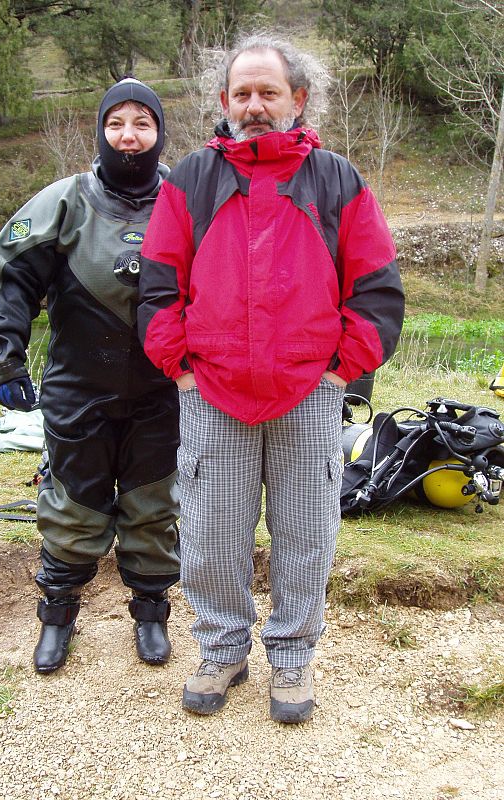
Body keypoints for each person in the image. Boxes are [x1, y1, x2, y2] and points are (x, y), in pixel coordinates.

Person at [137, 34, 405, 723]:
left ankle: (291, 657)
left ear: (298, 99)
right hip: (212, 391)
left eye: (269, 92)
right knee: (211, 534)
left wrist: (341, 371)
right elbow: (159, 286)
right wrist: (181, 368)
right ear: (224, 100)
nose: (254, 106)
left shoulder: (337, 180)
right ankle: (222, 650)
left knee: (306, 535)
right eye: (242, 94)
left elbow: (376, 288)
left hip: (308, 392)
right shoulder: (191, 179)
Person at [0, 78, 180, 674]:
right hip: (78, 388)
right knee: (72, 504)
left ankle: (151, 614)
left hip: (163, 389)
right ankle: (57, 617)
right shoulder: (64, 201)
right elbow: (12, 276)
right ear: (100, 131)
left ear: (159, 133)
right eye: (116, 123)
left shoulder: (184, 201)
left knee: (153, 504)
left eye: (142, 124)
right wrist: (6, 357)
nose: (129, 136)